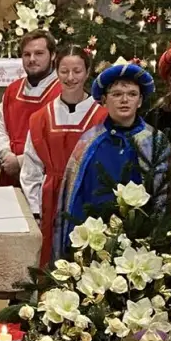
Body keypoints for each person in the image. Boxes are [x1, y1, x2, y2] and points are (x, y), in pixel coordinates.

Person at [55, 61, 168, 260]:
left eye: (132, 94)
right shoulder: (89, 142)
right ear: (104, 100)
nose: (124, 100)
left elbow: (162, 197)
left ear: (140, 100)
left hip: (139, 244)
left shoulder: (155, 141)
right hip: (94, 241)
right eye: (116, 94)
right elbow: (74, 198)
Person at [21, 44, 104, 267]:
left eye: (77, 71)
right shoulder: (41, 118)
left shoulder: (102, 116)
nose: (70, 77)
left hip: (89, 199)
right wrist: (36, 212)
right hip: (51, 201)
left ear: (87, 72)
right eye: (64, 71)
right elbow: (31, 169)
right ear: (56, 72)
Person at [0, 30, 61, 187]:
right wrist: (6, 155)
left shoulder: (62, 92)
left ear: (52, 55)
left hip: (43, 178)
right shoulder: (12, 90)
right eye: (26, 54)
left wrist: (20, 161)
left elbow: (58, 143)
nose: (32, 59)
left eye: (39, 53)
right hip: (9, 172)